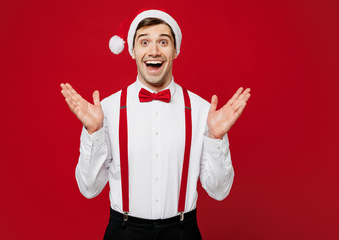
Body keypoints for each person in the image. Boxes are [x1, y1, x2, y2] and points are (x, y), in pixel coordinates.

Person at [60, 9, 251, 240]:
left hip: (183, 232)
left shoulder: (203, 111)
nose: (154, 51)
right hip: (124, 232)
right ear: (132, 50)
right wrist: (94, 132)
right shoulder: (104, 112)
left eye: (163, 41)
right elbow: (89, 189)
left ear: (175, 50)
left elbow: (219, 191)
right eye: (144, 42)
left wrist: (215, 137)